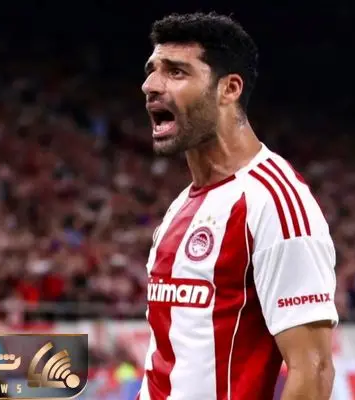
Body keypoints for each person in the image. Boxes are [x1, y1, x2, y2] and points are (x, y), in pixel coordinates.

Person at [137, 12, 339, 400]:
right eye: (152, 71)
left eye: (176, 72)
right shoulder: (182, 206)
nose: (150, 85)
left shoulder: (274, 200)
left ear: (228, 89)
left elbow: (313, 372)